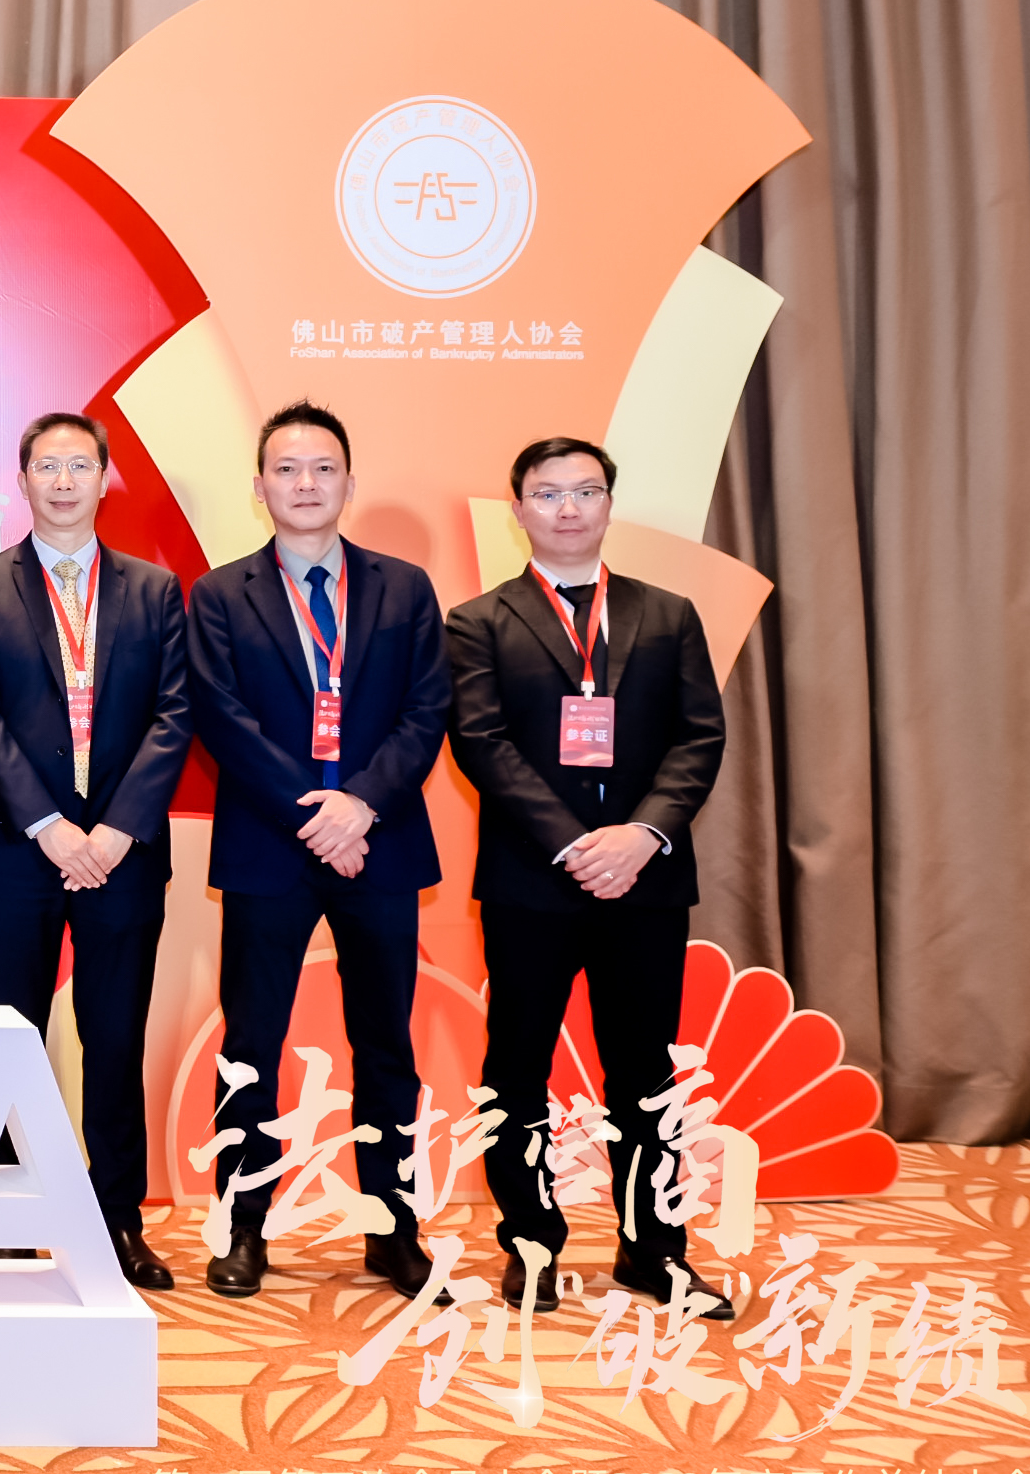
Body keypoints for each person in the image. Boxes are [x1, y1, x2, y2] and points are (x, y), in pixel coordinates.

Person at [446, 437, 732, 1317]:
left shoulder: (669, 614)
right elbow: (482, 743)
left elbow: (700, 736)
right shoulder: (478, 622)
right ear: (518, 509)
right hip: (532, 883)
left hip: (645, 882)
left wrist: (641, 835)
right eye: (548, 493)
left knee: (644, 1071)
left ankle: (655, 1251)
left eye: (585, 491)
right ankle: (531, 1245)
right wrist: (577, 845)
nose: (567, 508)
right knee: (517, 1069)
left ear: (610, 502)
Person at [187, 400, 453, 1299]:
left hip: (379, 843)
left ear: (349, 481)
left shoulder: (404, 587)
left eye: (323, 468)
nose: (306, 484)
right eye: (288, 469)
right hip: (270, 846)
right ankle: (243, 1228)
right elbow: (224, 720)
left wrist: (361, 806)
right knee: (251, 1045)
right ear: (259, 487)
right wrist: (316, 815)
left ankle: (393, 1228)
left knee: (385, 1044)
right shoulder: (220, 594)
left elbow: (427, 710)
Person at [0, 412, 195, 1289]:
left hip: (124, 852)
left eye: (79, 466)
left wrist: (117, 829)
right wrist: (50, 827)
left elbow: (175, 713)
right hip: (18, 850)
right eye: (46, 466)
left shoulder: (153, 589)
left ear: (102, 479)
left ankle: (116, 1216)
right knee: (11, 1036)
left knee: (115, 1036)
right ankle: (8, 1218)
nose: (63, 481)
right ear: (23, 480)